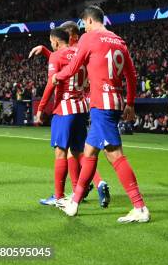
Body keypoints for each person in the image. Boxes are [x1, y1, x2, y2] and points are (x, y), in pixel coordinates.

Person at [53, 5, 150, 223]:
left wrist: (57, 76)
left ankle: (139, 207)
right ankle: (74, 202)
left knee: (114, 154)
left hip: (102, 104)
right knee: (89, 152)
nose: (83, 29)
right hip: (114, 101)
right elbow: (131, 75)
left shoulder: (89, 38)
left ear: (88, 21)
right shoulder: (118, 40)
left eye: (83, 24)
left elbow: (74, 67)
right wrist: (131, 103)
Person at [30, 21, 110, 207]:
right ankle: (81, 192)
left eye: (50, 42)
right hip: (82, 108)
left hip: (64, 109)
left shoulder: (56, 56)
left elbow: (52, 82)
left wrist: (41, 108)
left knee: (60, 153)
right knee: (79, 152)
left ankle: (58, 197)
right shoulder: (81, 53)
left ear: (56, 41)